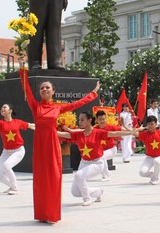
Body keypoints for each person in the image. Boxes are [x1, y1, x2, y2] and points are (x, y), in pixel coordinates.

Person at [19, 65, 99, 223]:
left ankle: (52, 214)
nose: (44, 90)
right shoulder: (36, 107)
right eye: (42, 88)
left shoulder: (57, 107)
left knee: (54, 177)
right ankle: (42, 214)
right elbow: (27, 91)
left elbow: (77, 104)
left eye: (47, 87)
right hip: (39, 146)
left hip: (52, 144)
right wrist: (23, 69)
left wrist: (93, 94)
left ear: (53, 91)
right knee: (41, 179)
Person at [58, 111, 132, 206]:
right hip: (83, 163)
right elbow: (62, 134)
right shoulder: (79, 134)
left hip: (97, 163)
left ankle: (87, 199)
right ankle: (97, 192)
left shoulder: (97, 132)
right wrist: (42, 129)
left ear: (89, 120)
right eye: (79, 120)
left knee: (78, 176)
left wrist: (130, 132)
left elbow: (114, 133)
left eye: (82, 120)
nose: (80, 122)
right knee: (75, 192)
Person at [133, 115, 160, 184]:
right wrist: (138, 129)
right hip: (149, 157)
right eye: (149, 124)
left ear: (155, 124)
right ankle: (154, 175)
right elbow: (133, 133)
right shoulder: (144, 134)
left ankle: (155, 179)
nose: (150, 126)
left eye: (152, 124)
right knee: (142, 173)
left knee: (157, 161)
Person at [95, 110, 121, 181]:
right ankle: (106, 172)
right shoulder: (95, 129)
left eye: (103, 119)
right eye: (100, 119)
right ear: (97, 120)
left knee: (102, 156)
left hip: (112, 150)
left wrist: (134, 130)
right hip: (101, 151)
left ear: (105, 118)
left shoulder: (111, 127)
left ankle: (106, 176)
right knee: (101, 157)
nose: (102, 121)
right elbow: (83, 132)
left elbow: (122, 129)